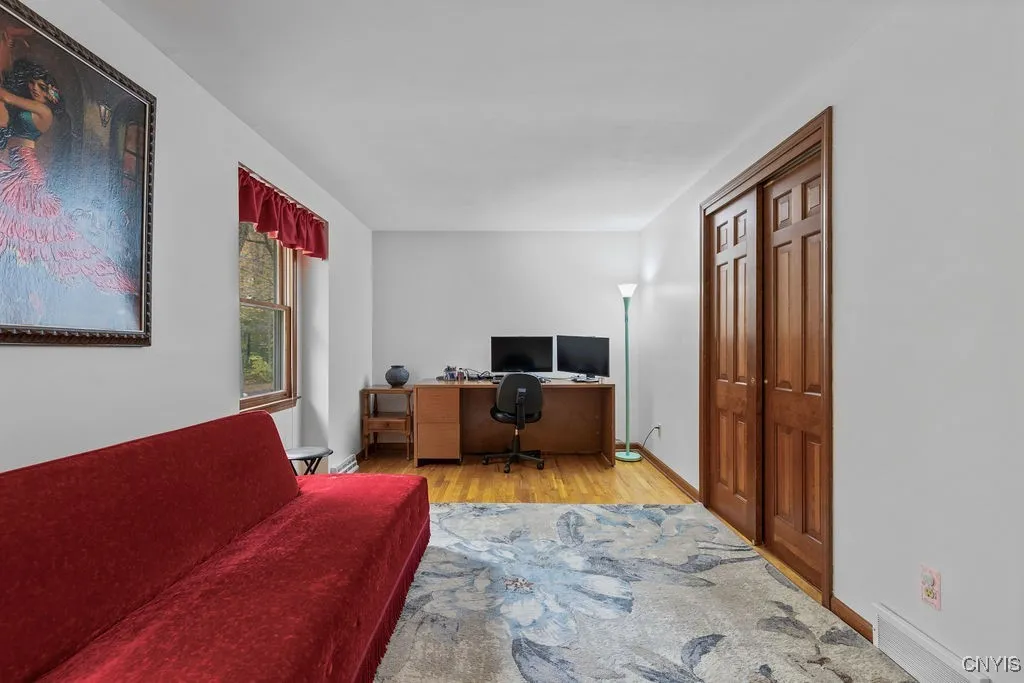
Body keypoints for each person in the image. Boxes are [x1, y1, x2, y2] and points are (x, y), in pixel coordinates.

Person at [0, 57, 134, 325]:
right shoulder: (29, 106)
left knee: (36, 230)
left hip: (27, 169)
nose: (35, 88)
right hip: (14, 163)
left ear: (50, 93)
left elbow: (5, 96)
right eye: (33, 84)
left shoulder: (43, 111)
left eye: (41, 85)